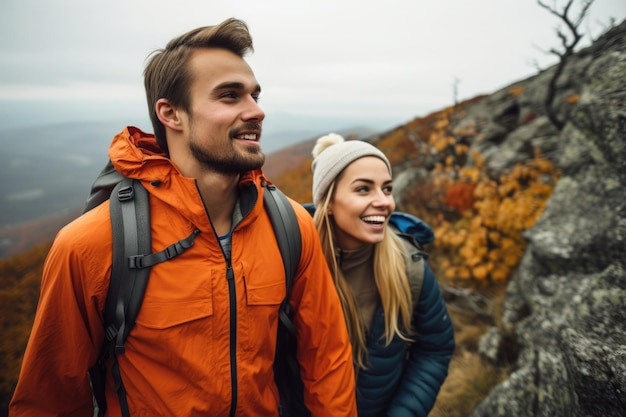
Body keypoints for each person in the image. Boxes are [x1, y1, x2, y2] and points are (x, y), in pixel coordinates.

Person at [9, 19, 357, 417]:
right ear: (171, 114)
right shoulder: (91, 245)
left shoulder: (290, 225)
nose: (256, 111)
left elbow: (327, 358)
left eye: (255, 95)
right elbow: (47, 401)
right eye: (230, 96)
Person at [310, 133, 455, 417]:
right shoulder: (293, 265)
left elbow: (435, 349)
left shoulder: (408, 265)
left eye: (387, 189)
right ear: (329, 202)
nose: (384, 202)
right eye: (363, 189)